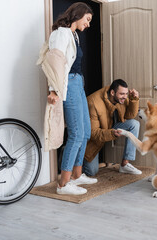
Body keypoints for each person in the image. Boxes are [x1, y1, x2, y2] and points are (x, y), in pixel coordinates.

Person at [38, 2, 97, 195]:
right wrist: (54, 90)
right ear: (78, 15)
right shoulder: (61, 33)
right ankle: (63, 184)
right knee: (76, 133)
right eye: (87, 19)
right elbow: (56, 61)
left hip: (78, 83)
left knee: (86, 131)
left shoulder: (73, 35)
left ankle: (77, 175)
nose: (88, 24)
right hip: (68, 84)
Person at [83, 79, 142, 176]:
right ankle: (71, 153)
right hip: (93, 139)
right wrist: (111, 133)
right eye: (122, 94)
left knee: (134, 124)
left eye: (126, 94)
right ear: (112, 92)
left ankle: (125, 164)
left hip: (111, 126)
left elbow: (129, 116)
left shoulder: (121, 97)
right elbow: (93, 132)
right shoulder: (93, 102)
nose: (125, 97)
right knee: (91, 172)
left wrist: (133, 100)